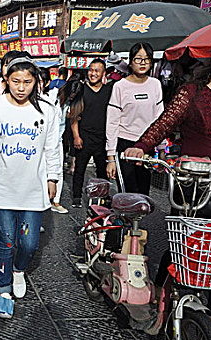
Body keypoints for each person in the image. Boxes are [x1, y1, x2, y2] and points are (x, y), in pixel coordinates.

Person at [124, 31, 211, 340]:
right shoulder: (192, 93)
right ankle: (162, 298)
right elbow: (163, 124)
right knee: (182, 245)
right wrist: (142, 146)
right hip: (192, 184)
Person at [0, 56, 61, 314]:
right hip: (1, 186)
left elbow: (53, 148)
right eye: (15, 81)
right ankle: (3, 289)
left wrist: (52, 178)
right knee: (6, 241)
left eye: (27, 81)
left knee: (29, 243)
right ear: (6, 81)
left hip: (32, 187)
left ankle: (18, 270)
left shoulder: (47, 110)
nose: (21, 87)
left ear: (36, 82)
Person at [105, 42, 164, 195]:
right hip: (124, 144)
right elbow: (112, 122)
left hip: (147, 144)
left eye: (146, 59)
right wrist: (111, 157)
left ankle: (138, 220)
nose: (143, 63)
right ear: (131, 61)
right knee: (127, 193)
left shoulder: (155, 84)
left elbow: (160, 118)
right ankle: (123, 219)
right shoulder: (120, 86)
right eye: (138, 59)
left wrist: (162, 149)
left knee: (143, 194)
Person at [71, 59, 112, 208]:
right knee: (79, 169)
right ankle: (76, 197)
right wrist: (76, 136)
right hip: (84, 136)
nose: (93, 73)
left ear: (103, 73)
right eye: (91, 70)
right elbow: (74, 115)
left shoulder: (109, 91)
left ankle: (104, 196)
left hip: (102, 138)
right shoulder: (81, 90)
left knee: (102, 170)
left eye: (97, 71)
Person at [39, 68, 68, 214]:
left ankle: (55, 201)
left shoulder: (54, 98)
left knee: (57, 171)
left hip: (57, 140)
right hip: (40, 143)